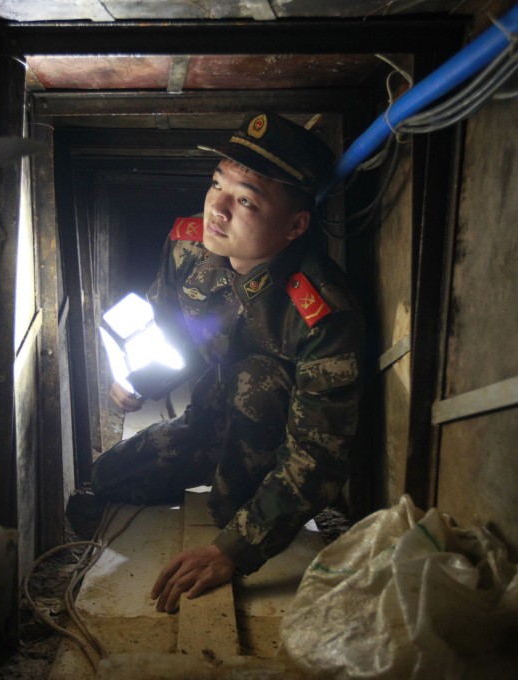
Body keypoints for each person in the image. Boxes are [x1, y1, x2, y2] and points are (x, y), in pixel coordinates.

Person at [85, 112, 364, 613]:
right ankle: (213, 466)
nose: (217, 207)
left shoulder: (322, 314)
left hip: (269, 442)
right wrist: (139, 381)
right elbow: (171, 333)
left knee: (230, 511)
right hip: (212, 418)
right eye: (217, 184)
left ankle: (238, 503)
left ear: (295, 226)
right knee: (109, 477)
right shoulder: (187, 248)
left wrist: (231, 551)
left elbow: (319, 456)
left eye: (246, 200)